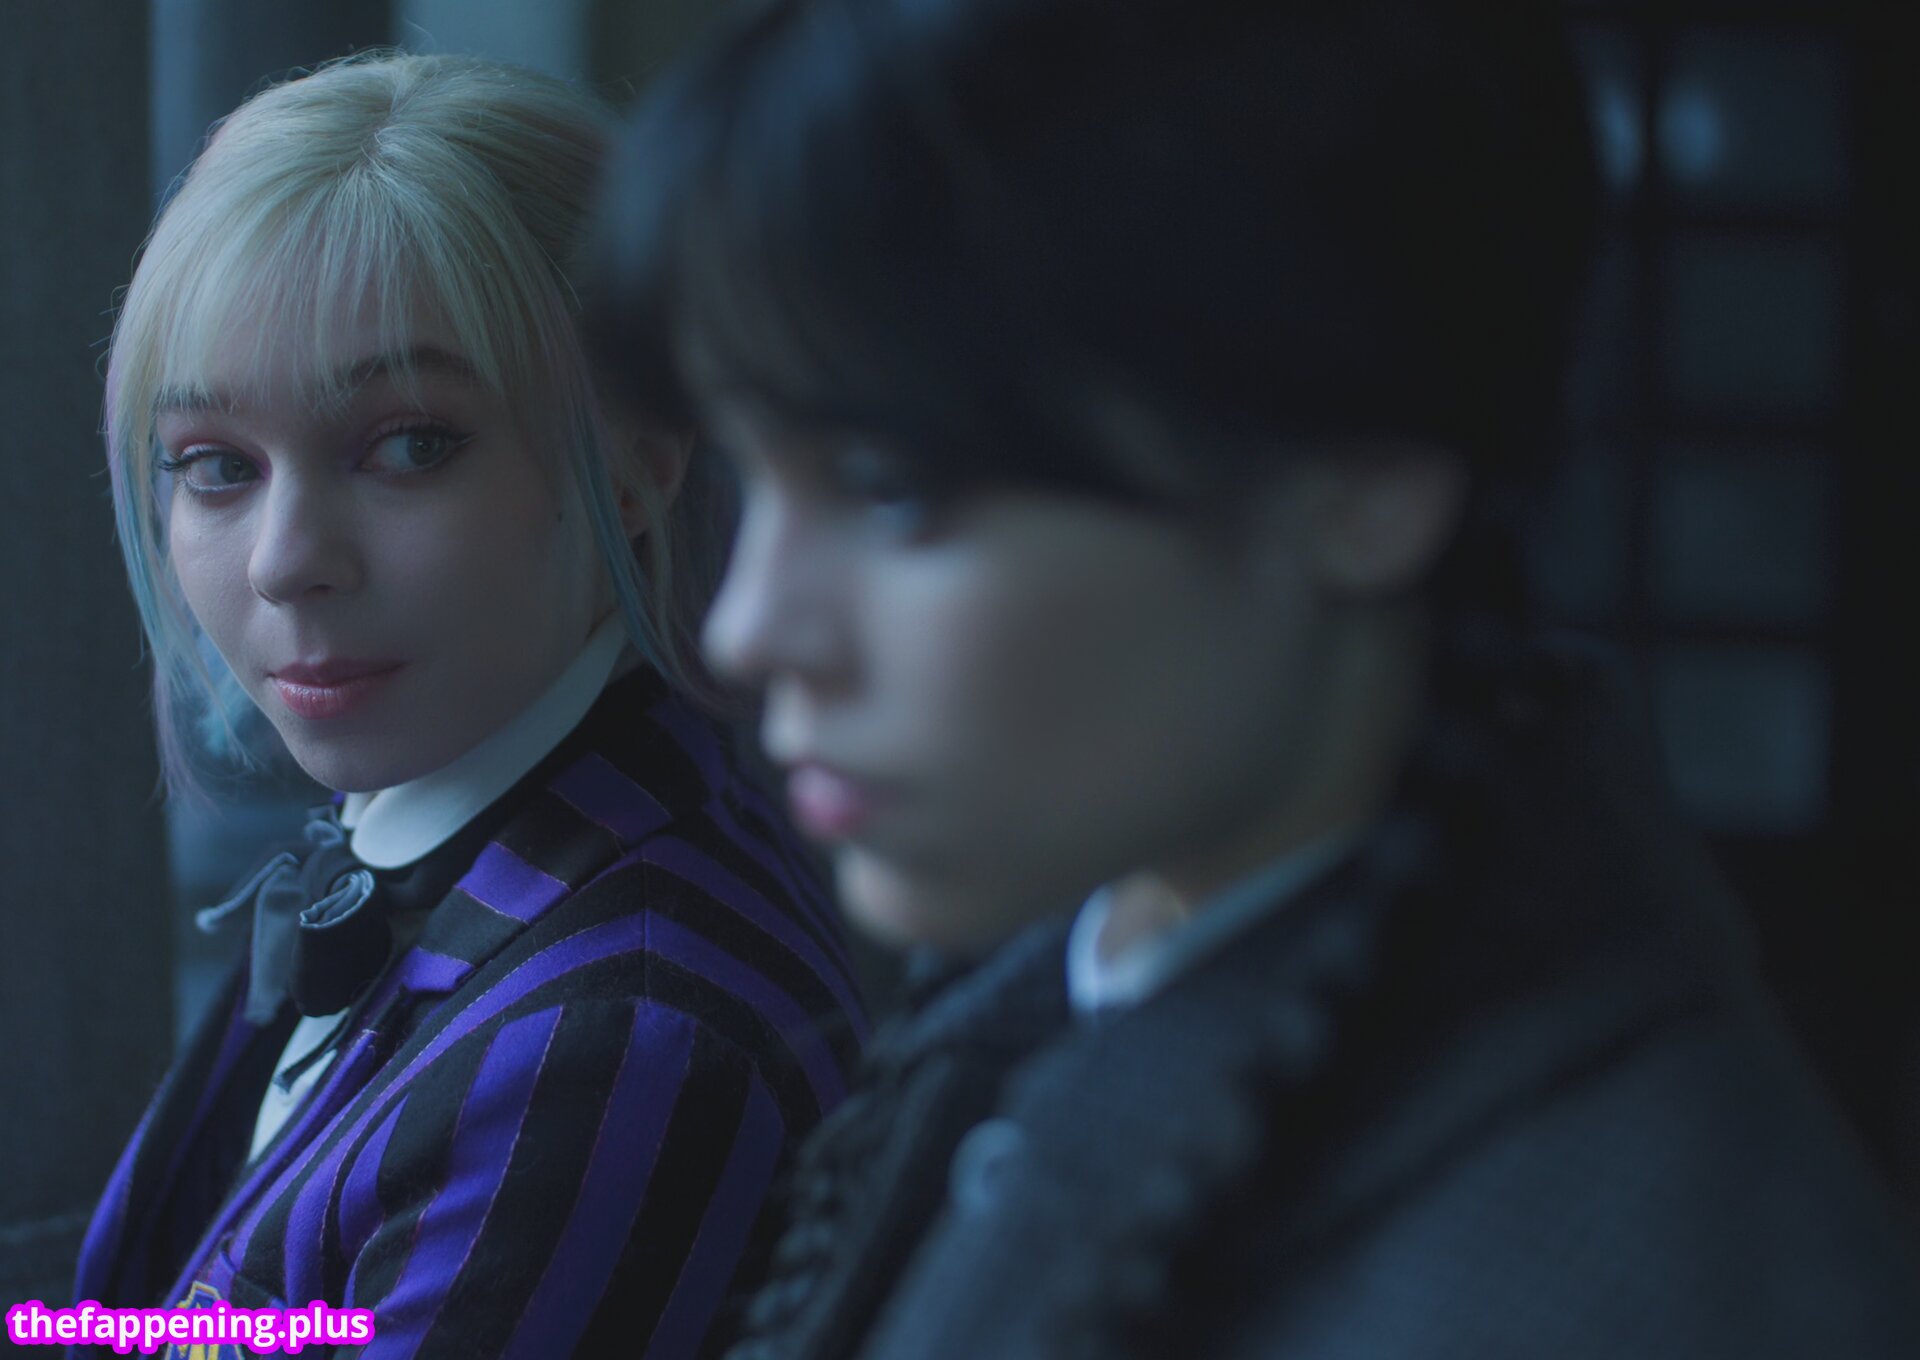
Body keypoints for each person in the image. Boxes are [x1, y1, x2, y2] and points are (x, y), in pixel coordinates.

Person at [588, 0, 1920, 1356]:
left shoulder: (1647, 1286)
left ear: (1361, 479)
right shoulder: (1058, 985)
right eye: (752, 472)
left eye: (892, 488)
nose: (749, 628)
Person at [73, 51, 865, 1359]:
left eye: (409, 445)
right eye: (214, 464)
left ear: (637, 462)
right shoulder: (429, 844)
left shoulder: (614, 1039)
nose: (284, 561)